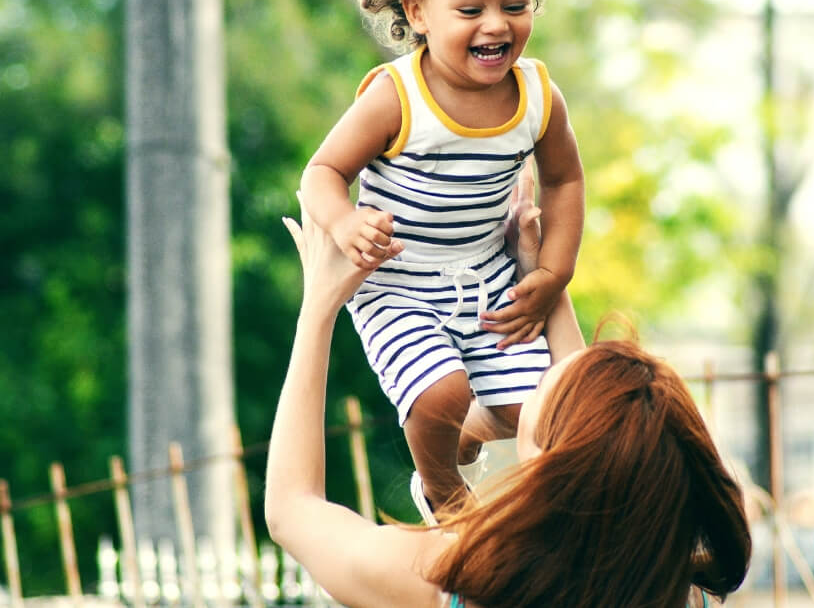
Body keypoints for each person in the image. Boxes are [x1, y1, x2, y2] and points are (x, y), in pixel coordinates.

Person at [266, 194, 752, 608]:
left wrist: (319, 307)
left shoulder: (450, 581)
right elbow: (597, 442)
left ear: (546, 465)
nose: (537, 375)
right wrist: (538, 277)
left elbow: (292, 509)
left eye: (542, 386)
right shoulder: (681, 591)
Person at [299, 0, 584, 520]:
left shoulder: (538, 96)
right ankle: (444, 495)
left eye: (515, 5)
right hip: (398, 281)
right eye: (470, 10)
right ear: (417, 12)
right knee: (439, 396)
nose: (496, 25)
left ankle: (468, 433)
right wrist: (345, 221)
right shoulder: (397, 98)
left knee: (533, 412)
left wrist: (552, 273)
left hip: (486, 275)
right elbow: (321, 172)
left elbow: (566, 182)